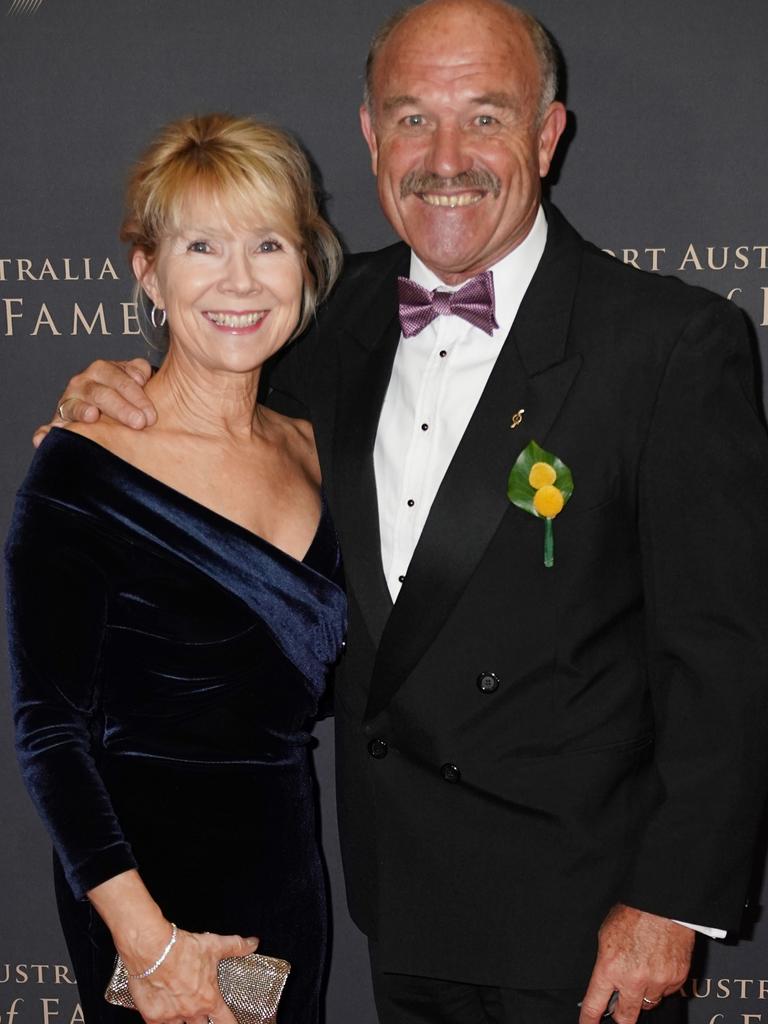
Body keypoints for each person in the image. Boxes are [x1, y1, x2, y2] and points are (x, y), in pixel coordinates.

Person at [38, 2, 768, 1023]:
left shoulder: (670, 345)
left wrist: (671, 901)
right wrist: (111, 388)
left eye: (486, 115)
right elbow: (207, 402)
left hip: (586, 918)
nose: (447, 155)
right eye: (413, 118)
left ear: (548, 136)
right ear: (373, 137)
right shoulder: (315, 316)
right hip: (394, 901)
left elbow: (726, 653)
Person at [7, 113, 345, 1024]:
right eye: (203, 245)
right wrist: (149, 945)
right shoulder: (84, 461)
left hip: (285, 892)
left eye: (268, 243)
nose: (239, 281)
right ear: (148, 272)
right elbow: (48, 731)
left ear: (305, 265)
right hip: (150, 912)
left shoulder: (318, 451)